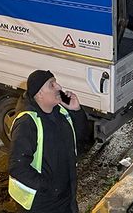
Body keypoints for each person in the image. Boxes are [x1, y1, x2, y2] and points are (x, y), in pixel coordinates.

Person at [9, 69, 88, 212]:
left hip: (66, 198)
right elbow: (18, 167)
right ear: (39, 94)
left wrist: (76, 111)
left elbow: (81, 139)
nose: (59, 87)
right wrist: (49, 187)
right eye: (52, 84)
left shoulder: (62, 112)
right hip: (43, 204)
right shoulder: (27, 123)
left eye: (56, 82)